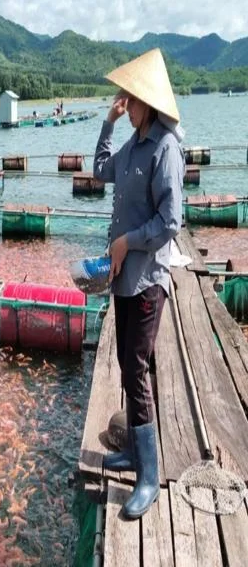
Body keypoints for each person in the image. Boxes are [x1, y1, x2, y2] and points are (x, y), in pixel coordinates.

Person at [93, 48, 185, 520]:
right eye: (123, 99)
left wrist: (128, 241)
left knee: (136, 366)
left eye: (130, 99)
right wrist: (108, 124)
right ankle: (132, 449)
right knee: (126, 363)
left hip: (148, 279)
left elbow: (172, 221)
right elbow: (99, 170)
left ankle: (149, 474)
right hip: (123, 279)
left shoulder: (166, 148)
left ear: (148, 102)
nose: (124, 103)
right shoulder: (133, 143)